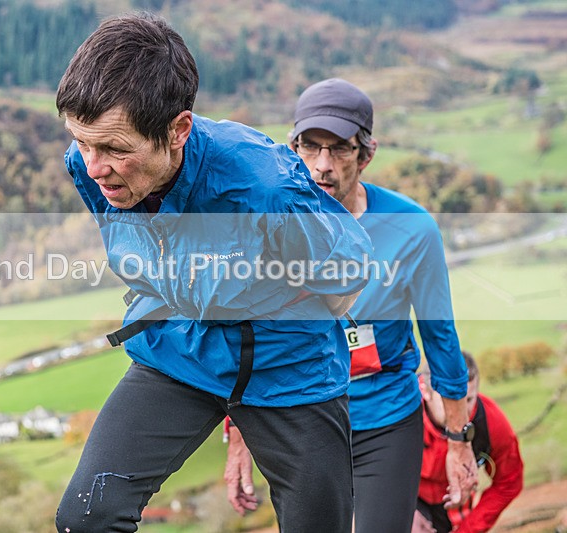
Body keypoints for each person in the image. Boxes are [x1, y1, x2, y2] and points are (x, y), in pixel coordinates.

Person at [53, 14, 375, 532]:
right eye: (82, 141)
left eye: (114, 148)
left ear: (178, 130)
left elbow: (348, 274)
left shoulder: (265, 190)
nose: (93, 166)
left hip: (289, 369)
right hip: (181, 349)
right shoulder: (89, 166)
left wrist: (258, 295)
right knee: (86, 518)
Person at [224, 78, 478, 533]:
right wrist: (239, 437)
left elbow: (440, 338)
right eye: (311, 147)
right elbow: (248, 338)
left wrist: (459, 440)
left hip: (385, 420)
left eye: (340, 149)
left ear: (366, 153)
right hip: (300, 420)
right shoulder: (263, 224)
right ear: (292, 147)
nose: (323, 166)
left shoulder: (412, 230)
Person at [414, 352, 524, 533]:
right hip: (407, 498)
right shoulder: (403, 412)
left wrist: (469, 529)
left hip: (456, 506)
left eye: (469, 400)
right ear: (425, 391)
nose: (461, 412)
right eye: (449, 399)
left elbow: (510, 480)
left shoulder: (490, 422)